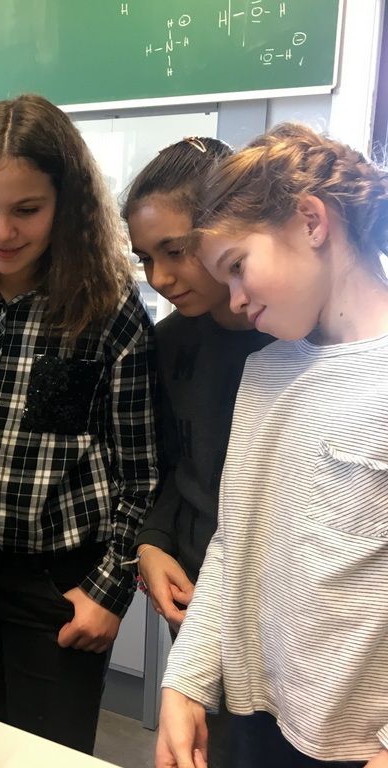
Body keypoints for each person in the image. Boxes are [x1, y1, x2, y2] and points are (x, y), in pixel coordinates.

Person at [0, 93, 158, 754]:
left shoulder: (107, 308)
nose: (2, 232)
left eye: (27, 210)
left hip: (58, 582)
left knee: (47, 751)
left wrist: (110, 590)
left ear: (66, 204)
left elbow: (142, 473)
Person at [157, 123, 388, 768]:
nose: (234, 300)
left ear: (311, 221)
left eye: (238, 267)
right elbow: (235, 543)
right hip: (261, 722)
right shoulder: (267, 372)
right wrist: (186, 678)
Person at [122, 137, 274, 767]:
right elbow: (167, 463)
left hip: (280, 613)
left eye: (175, 251)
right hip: (193, 597)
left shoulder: (292, 340)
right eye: (145, 258)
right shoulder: (168, 343)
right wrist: (151, 543)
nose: (159, 278)